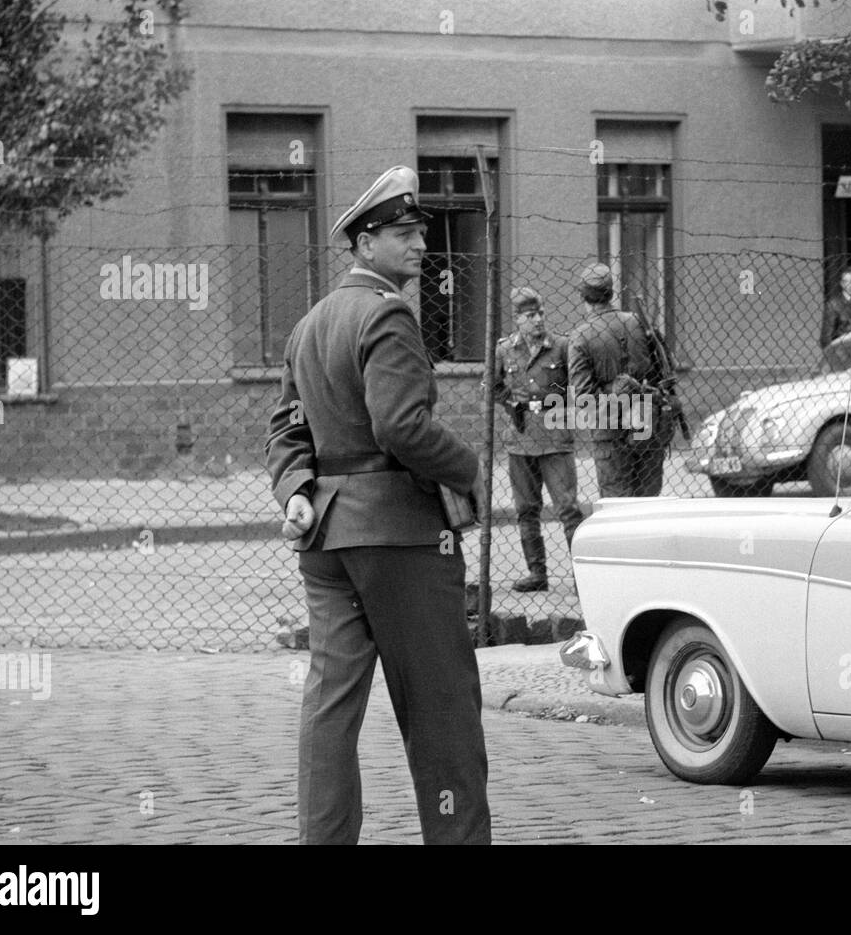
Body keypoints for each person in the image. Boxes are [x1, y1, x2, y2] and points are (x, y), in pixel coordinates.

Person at [264, 166, 491, 845]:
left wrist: (297, 491)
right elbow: (400, 428)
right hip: (399, 537)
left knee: (330, 706)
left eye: (419, 231)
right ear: (364, 245)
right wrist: (470, 465)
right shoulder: (388, 312)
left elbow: (284, 429)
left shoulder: (309, 324)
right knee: (442, 711)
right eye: (400, 233)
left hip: (326, 540)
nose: (419, 244)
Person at [492, 286, 585, 592]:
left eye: (541, 314)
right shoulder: (505, 349)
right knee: (526, 509)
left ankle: (583, 575)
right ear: (518, 319)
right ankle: (537, 573)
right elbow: (492, 386)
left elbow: (580, 384)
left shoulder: (561, 346)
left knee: (568, 509)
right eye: (530, 316)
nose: (538, 320)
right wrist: (511, 404)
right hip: (520, 439)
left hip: (555, 437)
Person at [567, 261, 666, 497]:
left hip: (610, 436)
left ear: (583, 297)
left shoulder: (580, 337)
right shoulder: (637, 322)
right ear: (611, 292)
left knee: (617, 508)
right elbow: (662, 367)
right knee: (648, 506)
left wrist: (615, 396)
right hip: (648, 425)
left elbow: (584, 399)